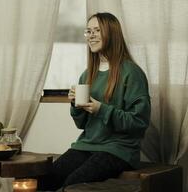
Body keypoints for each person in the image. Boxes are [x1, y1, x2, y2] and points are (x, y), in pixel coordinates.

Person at [37, 12, 151, 191]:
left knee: (72, 185)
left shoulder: (132, 73)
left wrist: (101, 110)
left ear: (112, 34)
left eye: (97, 30)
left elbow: (139, 123)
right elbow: (81, 124)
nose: (91, 36)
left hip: (119, 149)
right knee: (43, 181)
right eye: (88, 31)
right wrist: (75, 105)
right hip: (87, 145)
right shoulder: (87, 74)